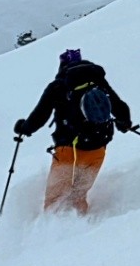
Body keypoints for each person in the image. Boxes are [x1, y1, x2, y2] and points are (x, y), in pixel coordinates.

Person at [14, 48, 133, 214]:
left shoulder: (57, 87)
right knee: (78, 195)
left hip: (68, 150)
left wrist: (23, 128)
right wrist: (124, 123)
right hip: (97, 147)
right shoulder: (97, 81)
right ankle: (81, 228)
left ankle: (52, 234)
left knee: (55, 200)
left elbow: (40, 116)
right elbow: (119, 106)